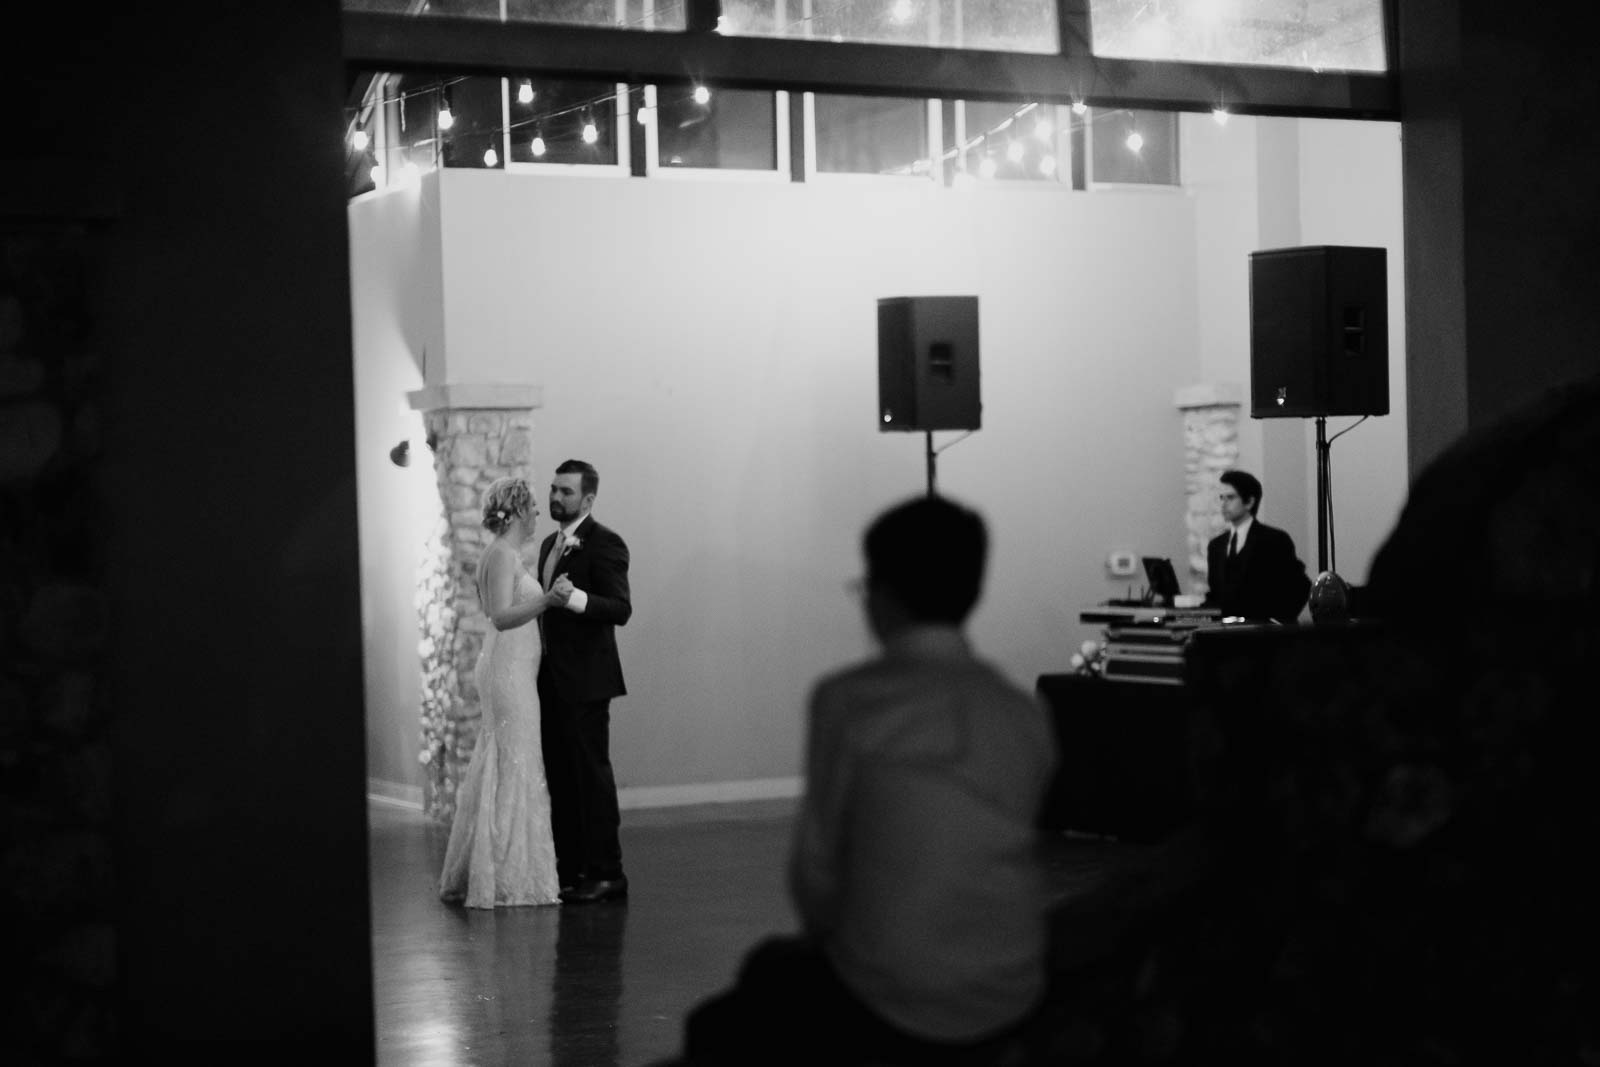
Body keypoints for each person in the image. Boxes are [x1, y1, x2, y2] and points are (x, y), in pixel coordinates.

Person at [680, 494, 1057, 1065]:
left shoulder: (849, 702)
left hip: (892, 994)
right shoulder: (1021, 712)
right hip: (1010, 982)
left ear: (882, 596)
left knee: (731, 1011)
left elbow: (815, 873)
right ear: (972, 592)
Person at [438, 476, 562, 908]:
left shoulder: (504, 553)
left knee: (507, 758)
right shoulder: (501, 554)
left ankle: (501, 866)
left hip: (514, 670)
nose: (537, 516)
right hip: (507, 673)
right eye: (532, 508)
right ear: (519, 511)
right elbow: (500, 616)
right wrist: (548, 602)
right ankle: (508, 875)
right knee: (515, 758)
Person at [537, 459, 633, 904]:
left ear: (588, 499)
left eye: (566, 492)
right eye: (554, 489)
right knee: (561, 778)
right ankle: (571, 870)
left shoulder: (605, 543)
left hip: (588, 682)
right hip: (550, 683)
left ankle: (607, 872)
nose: (556, 497)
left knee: (591, 779)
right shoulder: (546, 545)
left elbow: (619, 608)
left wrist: (575, 599)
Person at [1203, 469, 1311, 622]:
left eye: (1231, 497)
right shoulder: (1216, 546)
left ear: (1250, 502)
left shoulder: (1274, 540)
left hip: (1265, 637)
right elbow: (1216, 593)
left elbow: (1299, 586)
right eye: (1221, 497)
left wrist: (1277, 621)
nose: (1223, 504)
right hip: (1226, 637)